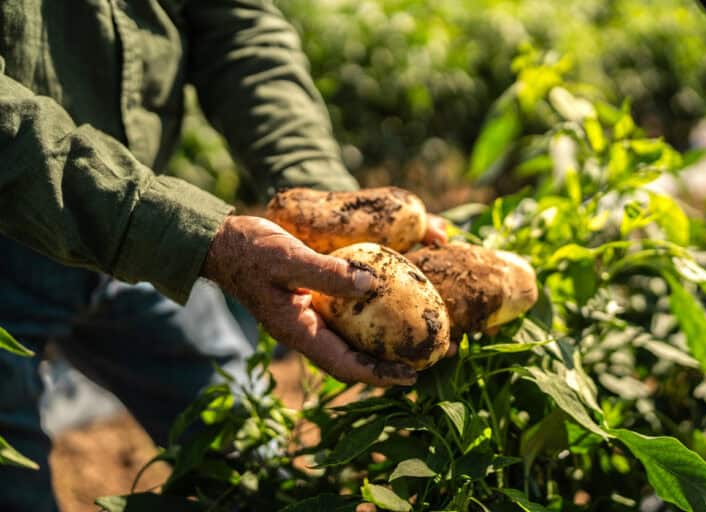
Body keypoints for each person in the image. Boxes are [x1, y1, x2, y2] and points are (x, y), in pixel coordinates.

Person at [0, 2, 447, 510]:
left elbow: (236, 26)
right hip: (89, 222)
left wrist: (326, 207)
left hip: (144, 228)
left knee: (248, 452)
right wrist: (203, 240)